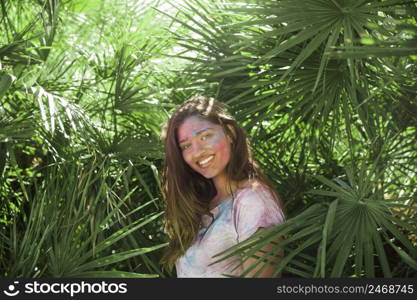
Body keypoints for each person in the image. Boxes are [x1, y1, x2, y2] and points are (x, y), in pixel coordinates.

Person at [159, 95, 285, 278]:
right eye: (186, 146)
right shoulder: (203, 202)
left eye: (205, 136)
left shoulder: (253, 201)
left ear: (230, 134)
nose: (197, 152)